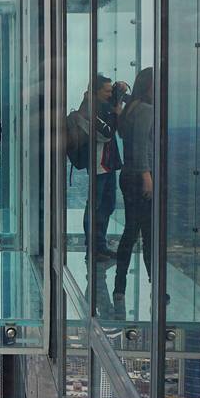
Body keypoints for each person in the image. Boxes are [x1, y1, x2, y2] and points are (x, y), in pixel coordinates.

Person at [113, 67, 154, 306]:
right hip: (140, 176)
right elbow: (141, 145)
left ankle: (120, 286)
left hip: (127, 175)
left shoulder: (131, 108)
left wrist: (121, 93)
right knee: (147, 234)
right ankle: (156, 286)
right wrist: (147, 176)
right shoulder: (147, 110)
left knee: (131, 231)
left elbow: (128, 138)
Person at [82, 74, 128, 260]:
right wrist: (116, 113)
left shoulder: (103, 107)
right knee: (95, 206)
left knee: (107, 205)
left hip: (107, 164)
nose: (111, 94)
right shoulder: (89, 110)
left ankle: (100, 245)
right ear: (96, 92)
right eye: (107, 91)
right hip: (98, 165)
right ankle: (92, 248)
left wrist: (122, 91)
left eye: (111, 91)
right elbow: (107, 133)